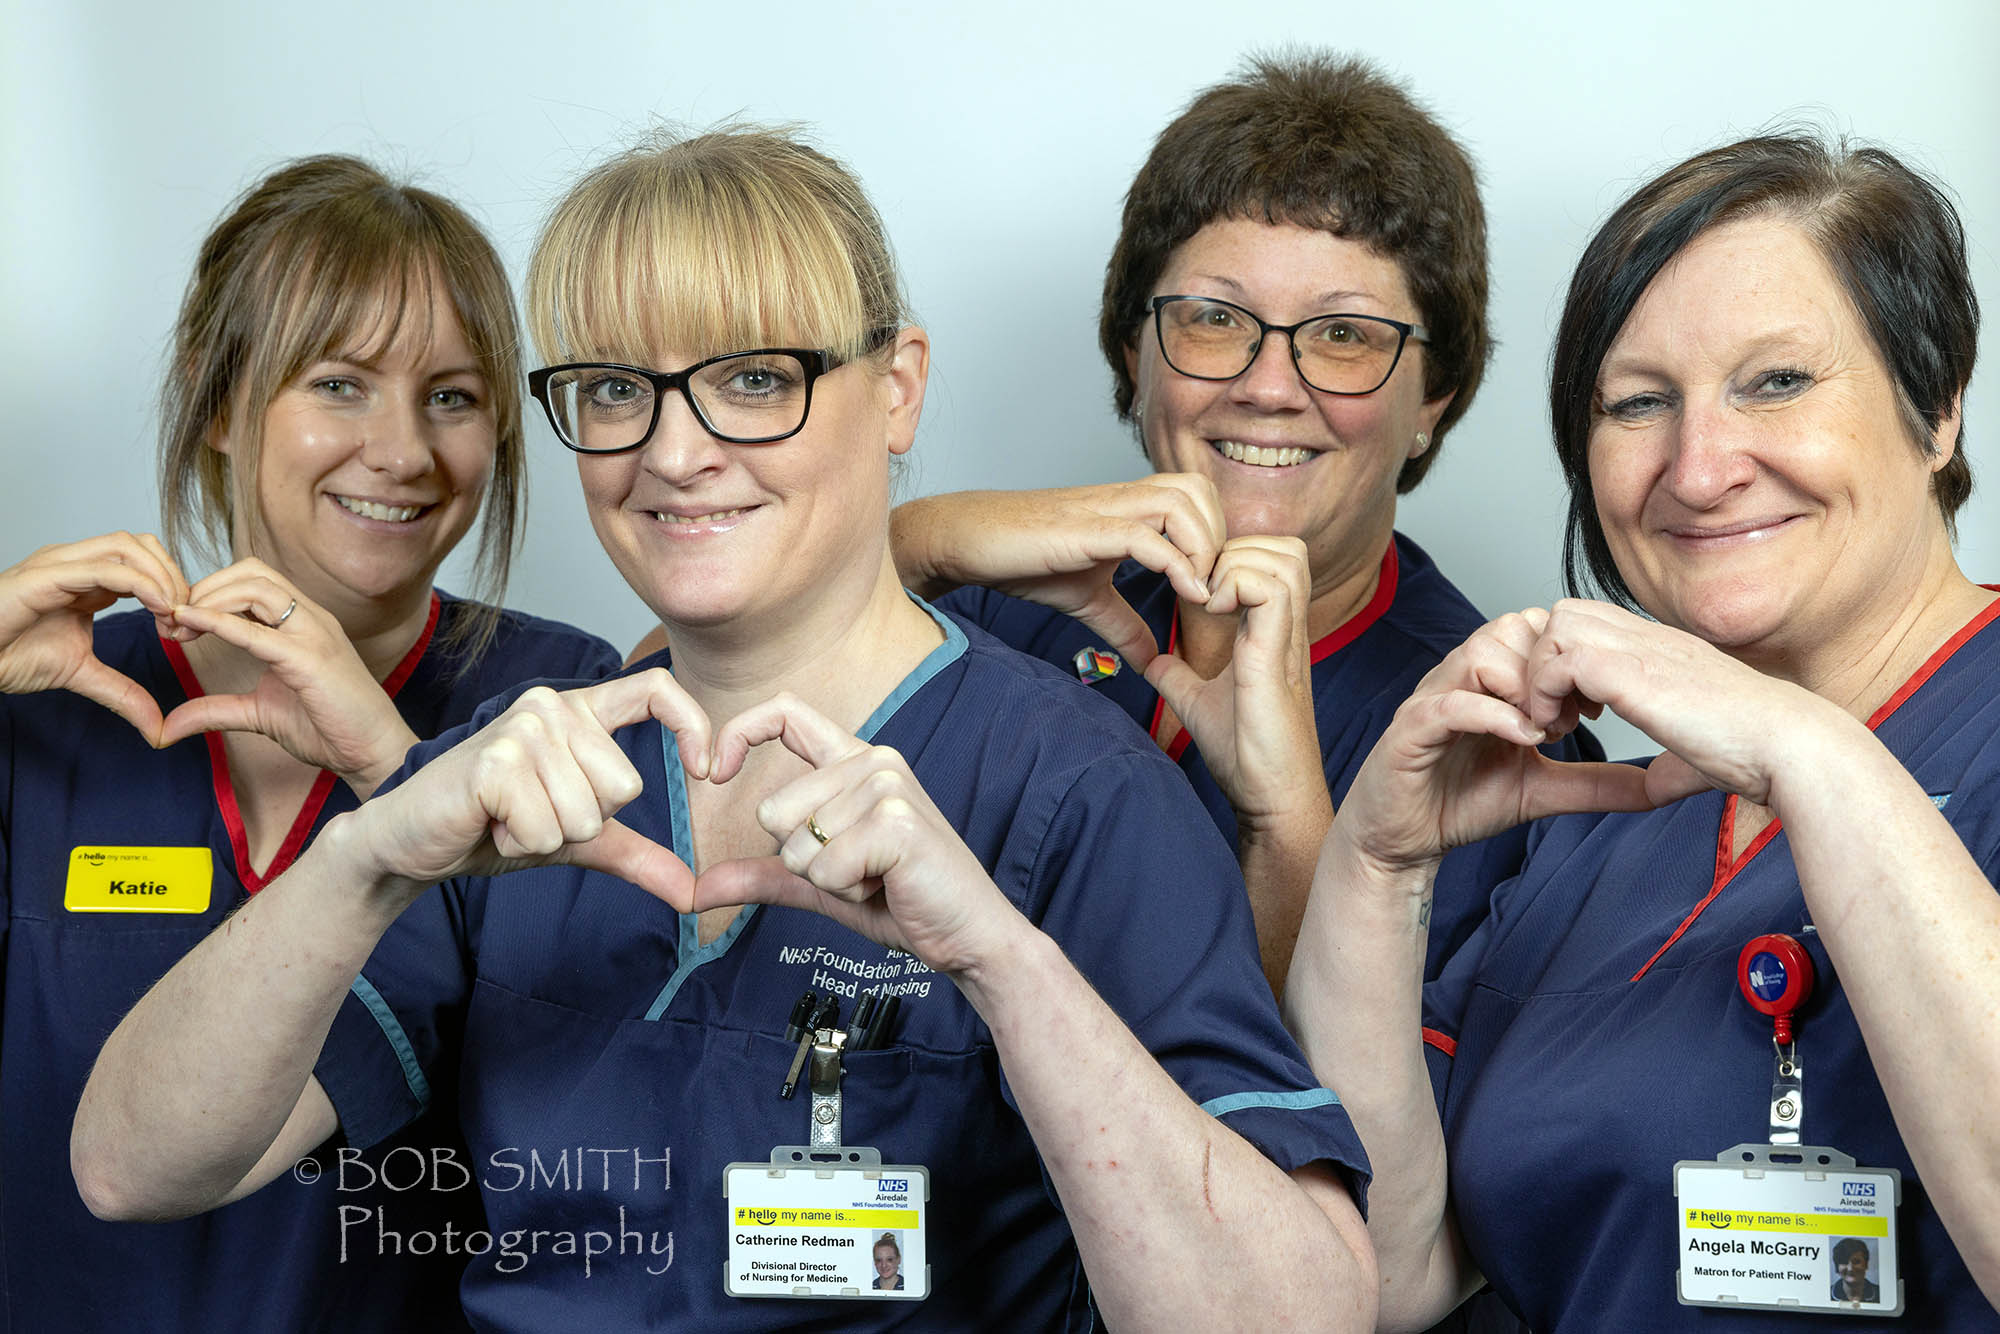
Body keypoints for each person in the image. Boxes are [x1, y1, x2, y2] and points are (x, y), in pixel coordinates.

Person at [72, 126, 1377, 1331]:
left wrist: (995, 955)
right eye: (613, 389)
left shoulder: (1068, 789)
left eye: (755, 380)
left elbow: (1299, 1312)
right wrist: (365, 862)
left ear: (898, 388)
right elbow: (134, 1164)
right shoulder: (528, 775)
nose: (678, 454)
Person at [1285, 131, 2000, 1330]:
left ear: (1934, 410)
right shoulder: (1595, 839)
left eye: (1775, 381)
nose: (1698, 465)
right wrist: (1373, 863)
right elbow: (1381, 1277)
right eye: (1636, 403)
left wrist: (1808, 752)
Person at [2, 156, 619, 1331]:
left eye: (452, 395)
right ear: (221, 399)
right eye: (339, 383)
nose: (401, 451)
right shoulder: (46, 700)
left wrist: (401, 765)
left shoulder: (561, 700)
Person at [888, 53, 1598, 993]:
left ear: (1434, 397)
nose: (1268, 388)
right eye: (1215, 319)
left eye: (1346, 335)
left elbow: (1344, 1128)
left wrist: (1288, 822)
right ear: (1133, 352)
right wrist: (917, 544)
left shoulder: (1505, 741)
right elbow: (691, 740)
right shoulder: (978, 614)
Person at [1831, 1238, 1881, 1304]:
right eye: (1844, 1262)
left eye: (1856, 1262)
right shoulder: (1825, 1293)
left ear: (1866, 1264)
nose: (1850, 1268)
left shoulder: (1881, 1293)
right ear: (1837, 1266)